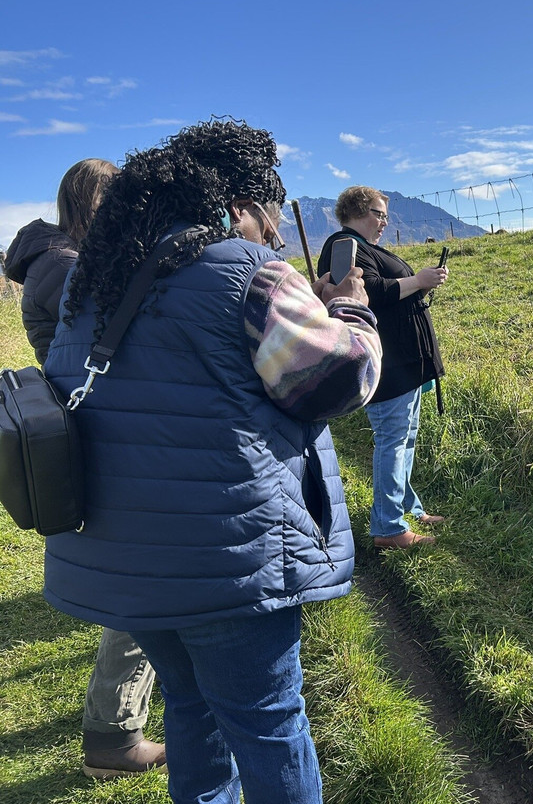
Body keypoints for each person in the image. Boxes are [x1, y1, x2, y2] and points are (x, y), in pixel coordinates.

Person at [42, 120, 382, 803]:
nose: (277, 237)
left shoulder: (94, 278)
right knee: (268, 721)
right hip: (229, 558)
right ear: (235, 209)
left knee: (191, 708)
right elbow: (338, 383)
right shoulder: (249, 274)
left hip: (125, 558)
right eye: (269, 216)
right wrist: (350, 312)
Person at [5, 158, 167, 779]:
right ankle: (113, 735)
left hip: (101, 425)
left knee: (143, 578)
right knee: (146, 583)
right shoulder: (68, 267)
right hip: (105, 432)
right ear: (99, 204)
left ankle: (120, 724)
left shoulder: (56, 259)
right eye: (123, 201)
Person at [317, 186, 446, 551]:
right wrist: (418, 281)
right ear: (357, 211)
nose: (385, 222)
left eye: (386, 215)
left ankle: (407, 507)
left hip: (403, 362)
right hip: (388, 363)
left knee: (405, 438)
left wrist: (420, 284)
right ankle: (388, 528)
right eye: (379, 213)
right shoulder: (344, 245)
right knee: (393, 440)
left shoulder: (361, 246)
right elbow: (365, 291)